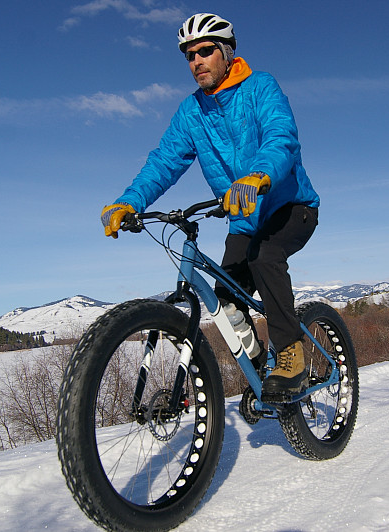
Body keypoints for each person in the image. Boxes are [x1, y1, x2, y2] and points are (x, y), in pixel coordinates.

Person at [101, 13, 319, 401]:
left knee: (265, 256)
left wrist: (257, 176)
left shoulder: (260, 87)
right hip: (244, 220)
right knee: (227, 302)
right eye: (189, 55)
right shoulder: (191, 112)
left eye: (205, 51)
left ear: (227, 52)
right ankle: (261, 373)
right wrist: (129, 201)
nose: (196, 61)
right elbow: (164, 161)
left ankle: (290, 356)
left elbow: (280, 137)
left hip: (290, 206)